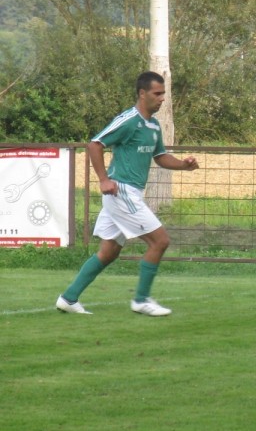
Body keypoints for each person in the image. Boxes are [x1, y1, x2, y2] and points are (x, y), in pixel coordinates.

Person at [56, 71, 200, 316]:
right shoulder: (128, 120)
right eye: (157, 93)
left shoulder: (153, 126)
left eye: (163, 93)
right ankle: (141, 300)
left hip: (130, 193)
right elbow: (95, 144)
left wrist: (184, 165)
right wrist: (103, 179)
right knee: (160, 240)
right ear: (142, 94)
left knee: (109, 251)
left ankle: (68, 299)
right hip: (121, 191)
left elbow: (160, 157)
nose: (162, 98)